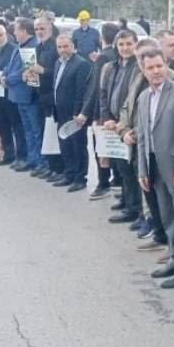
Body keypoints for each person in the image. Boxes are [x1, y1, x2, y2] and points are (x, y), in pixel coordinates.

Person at [137, 48, 174, 289]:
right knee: (167, 215)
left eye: (159, 66)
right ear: (143, 70)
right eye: (150, 67)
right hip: (155, 165)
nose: (156, 71)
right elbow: (142, 136)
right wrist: (142, 169)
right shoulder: (144, 97)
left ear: (166, 66)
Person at [99, 29, 142, 223]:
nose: (125, 48)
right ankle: (125, 200)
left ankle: (133, 209)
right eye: (121, 44)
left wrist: (123, 124)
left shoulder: (139, 68)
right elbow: (102, 95)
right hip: (112, 124)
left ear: (136, 44)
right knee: (120, 166)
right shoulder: (110, 67)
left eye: (129, 44)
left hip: (129, 125)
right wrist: (106, 118)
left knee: (130, 168)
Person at [77, 21, 119, 199]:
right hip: (115, 110)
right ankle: (117, 180)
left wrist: (85, 112)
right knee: (115, 148)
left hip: (101, 111)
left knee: (101, 148)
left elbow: (96, 87)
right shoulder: (116, 55)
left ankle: (103, 183)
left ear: (102, 38)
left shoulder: (103, 57)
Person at [52, 34, 93, 192]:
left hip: (74, 114)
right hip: (61, 111)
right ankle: (69, 174)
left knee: (78, 146)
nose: (63, 50)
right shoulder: (58, 62)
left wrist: (78, 112)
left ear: (73, 46)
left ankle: (80, 178)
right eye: (60, 47)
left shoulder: (81, 64)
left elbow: (81, 91)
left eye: (66, 46)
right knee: (65, 144)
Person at [28, 15, 65, 183]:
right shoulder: (38, 47)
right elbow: (34, 70)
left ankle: (60, 169)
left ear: (50, 27)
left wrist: (43, 71)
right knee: (46, 133)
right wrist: (29, 74)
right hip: (41, 96)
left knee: (55, 134)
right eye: (36, 29)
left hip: (54, 98)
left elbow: (60, 72)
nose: (39, 32)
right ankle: (51, 167)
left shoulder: (56, 47)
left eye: (42, 28)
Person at [7, 18, 45, 176]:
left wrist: (8, 79)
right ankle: (32, 159)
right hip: (19, 96)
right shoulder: (19, 46)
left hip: (30, 95)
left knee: (36, 131)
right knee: (28, 130)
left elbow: (24, 70)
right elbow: (10, 66)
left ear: (23, 31)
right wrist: (4, 75)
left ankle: (41, 162)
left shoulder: (33, 47)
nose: (14, 33)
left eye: (16, 30)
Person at [0, 25, 28, 169]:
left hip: (11, 94)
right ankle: (8, 153)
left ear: (6, 34)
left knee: (17, 126)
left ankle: (22, 156)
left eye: (0, 35)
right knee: (2, 126)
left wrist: (5, 78)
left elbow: (15, 70)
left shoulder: (13, 49)